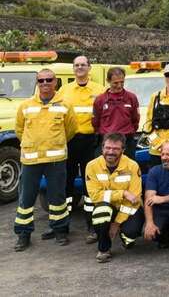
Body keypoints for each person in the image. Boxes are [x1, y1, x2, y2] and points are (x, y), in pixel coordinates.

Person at [13, 68, 76, 251]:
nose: (45, 83)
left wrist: (55, 144)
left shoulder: (65, 105)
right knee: (26, 199)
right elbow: (19, 130)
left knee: (57, 197)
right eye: (41, 80)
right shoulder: (25, 105)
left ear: (55, 82)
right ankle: (23, 234)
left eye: (49, 80)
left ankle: (60, 230)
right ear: (37, 83)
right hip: (31, 161)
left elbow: (70, 130)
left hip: (56, 160)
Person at [56, 55, 104, 243]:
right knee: (66, 184)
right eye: (77, 65)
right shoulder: (64, 90)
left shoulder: (100, 90)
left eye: (83, 65)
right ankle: (62, 226)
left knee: (89, 184)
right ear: (73, 68)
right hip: (69, 141)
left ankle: (92, 226)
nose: (80, 68)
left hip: (91, 142)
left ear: (89, 68)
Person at [85, 133, 144, 262]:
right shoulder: (92, 166)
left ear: (123, 150)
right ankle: (104, 249)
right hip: (107, 207)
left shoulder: (132, 166)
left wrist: (116, 223)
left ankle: (125, 237)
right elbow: (95, 196)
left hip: (128, 208)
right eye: (108, 148)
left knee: (131, 235)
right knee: (101, 211)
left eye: (116, 149)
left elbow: (134, 199)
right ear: (102, 148)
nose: (111, 152)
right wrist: (122, 193)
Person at [93, 67, 140, 159]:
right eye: (115, 83)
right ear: (108, 81)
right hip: (107, 140)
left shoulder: (131, 98)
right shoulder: (100, 100)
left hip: (127, 141)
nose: (119, 86)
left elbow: (135, 119)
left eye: (122, 82)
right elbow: (95, 122)